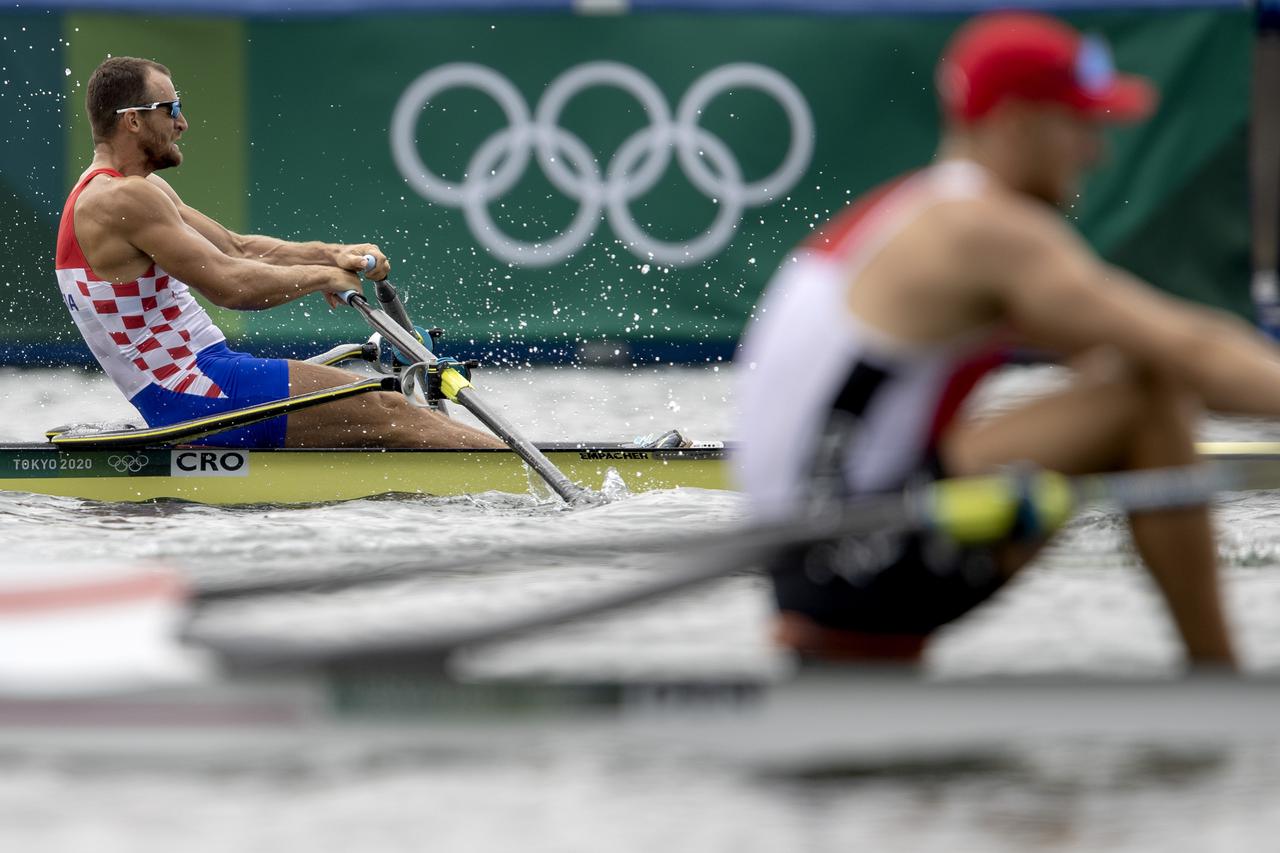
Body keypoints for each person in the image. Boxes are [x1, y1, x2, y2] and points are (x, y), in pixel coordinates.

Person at [734, 11, 1275, 667]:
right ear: (1017, 121)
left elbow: (1125, 349)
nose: (1096, 151)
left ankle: (857, 659)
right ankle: (1216, 683)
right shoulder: (985, 231)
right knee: (1144, 390)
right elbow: (1190, 351)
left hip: (816, 551)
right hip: (851, 559)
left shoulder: (918, 210)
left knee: (1119, 371)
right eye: (1080, 124)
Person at [55, 56, 502, 449]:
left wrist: (332, 255)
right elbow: (229, 286)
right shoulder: (120, 200)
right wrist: (322, 278)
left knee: (379, 414)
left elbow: (237, 247)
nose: (182, 122)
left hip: (200, 384)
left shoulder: (131, 191)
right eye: (171, 108)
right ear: (132, 120)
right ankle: (517, 481)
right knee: (391, 409)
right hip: (199, 390)